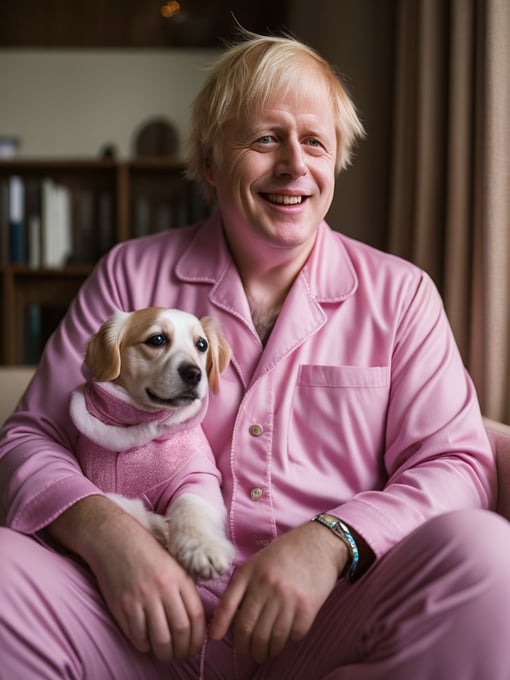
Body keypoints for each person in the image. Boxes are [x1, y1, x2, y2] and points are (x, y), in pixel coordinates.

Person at [1, 28, 510, 680]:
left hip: (331, 616)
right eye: (266, 138)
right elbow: (29, 439)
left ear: (336, 161)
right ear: (211, 162)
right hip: (136, 619)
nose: (295, 164)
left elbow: (458, 465)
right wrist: (111, 538)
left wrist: (334, 540)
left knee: (488, 555)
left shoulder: (402, 295)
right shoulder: (129, 277)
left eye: (315, 142)